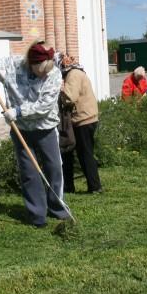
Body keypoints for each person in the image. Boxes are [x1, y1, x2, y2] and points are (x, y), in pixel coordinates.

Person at [0, 40, 70, 228]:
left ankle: (58, 208)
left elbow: (44, 106)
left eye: (47, 70)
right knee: (29, 173)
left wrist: (17, 112)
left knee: (54, 169)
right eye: (40, 70)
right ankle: (37, 216)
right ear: (31, 63)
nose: (44, 74)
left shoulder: (53, 73)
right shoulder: (15, 64)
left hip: (45, 128)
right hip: (21, 130)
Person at [60, 55, 103, 194]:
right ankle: (75, 186)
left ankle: (95, 187)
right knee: (81, 153)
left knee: (85, 154)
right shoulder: (76, 72)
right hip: (85, 117)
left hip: (83, 119)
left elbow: (70, 98)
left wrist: (60, 89)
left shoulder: (73, 75)